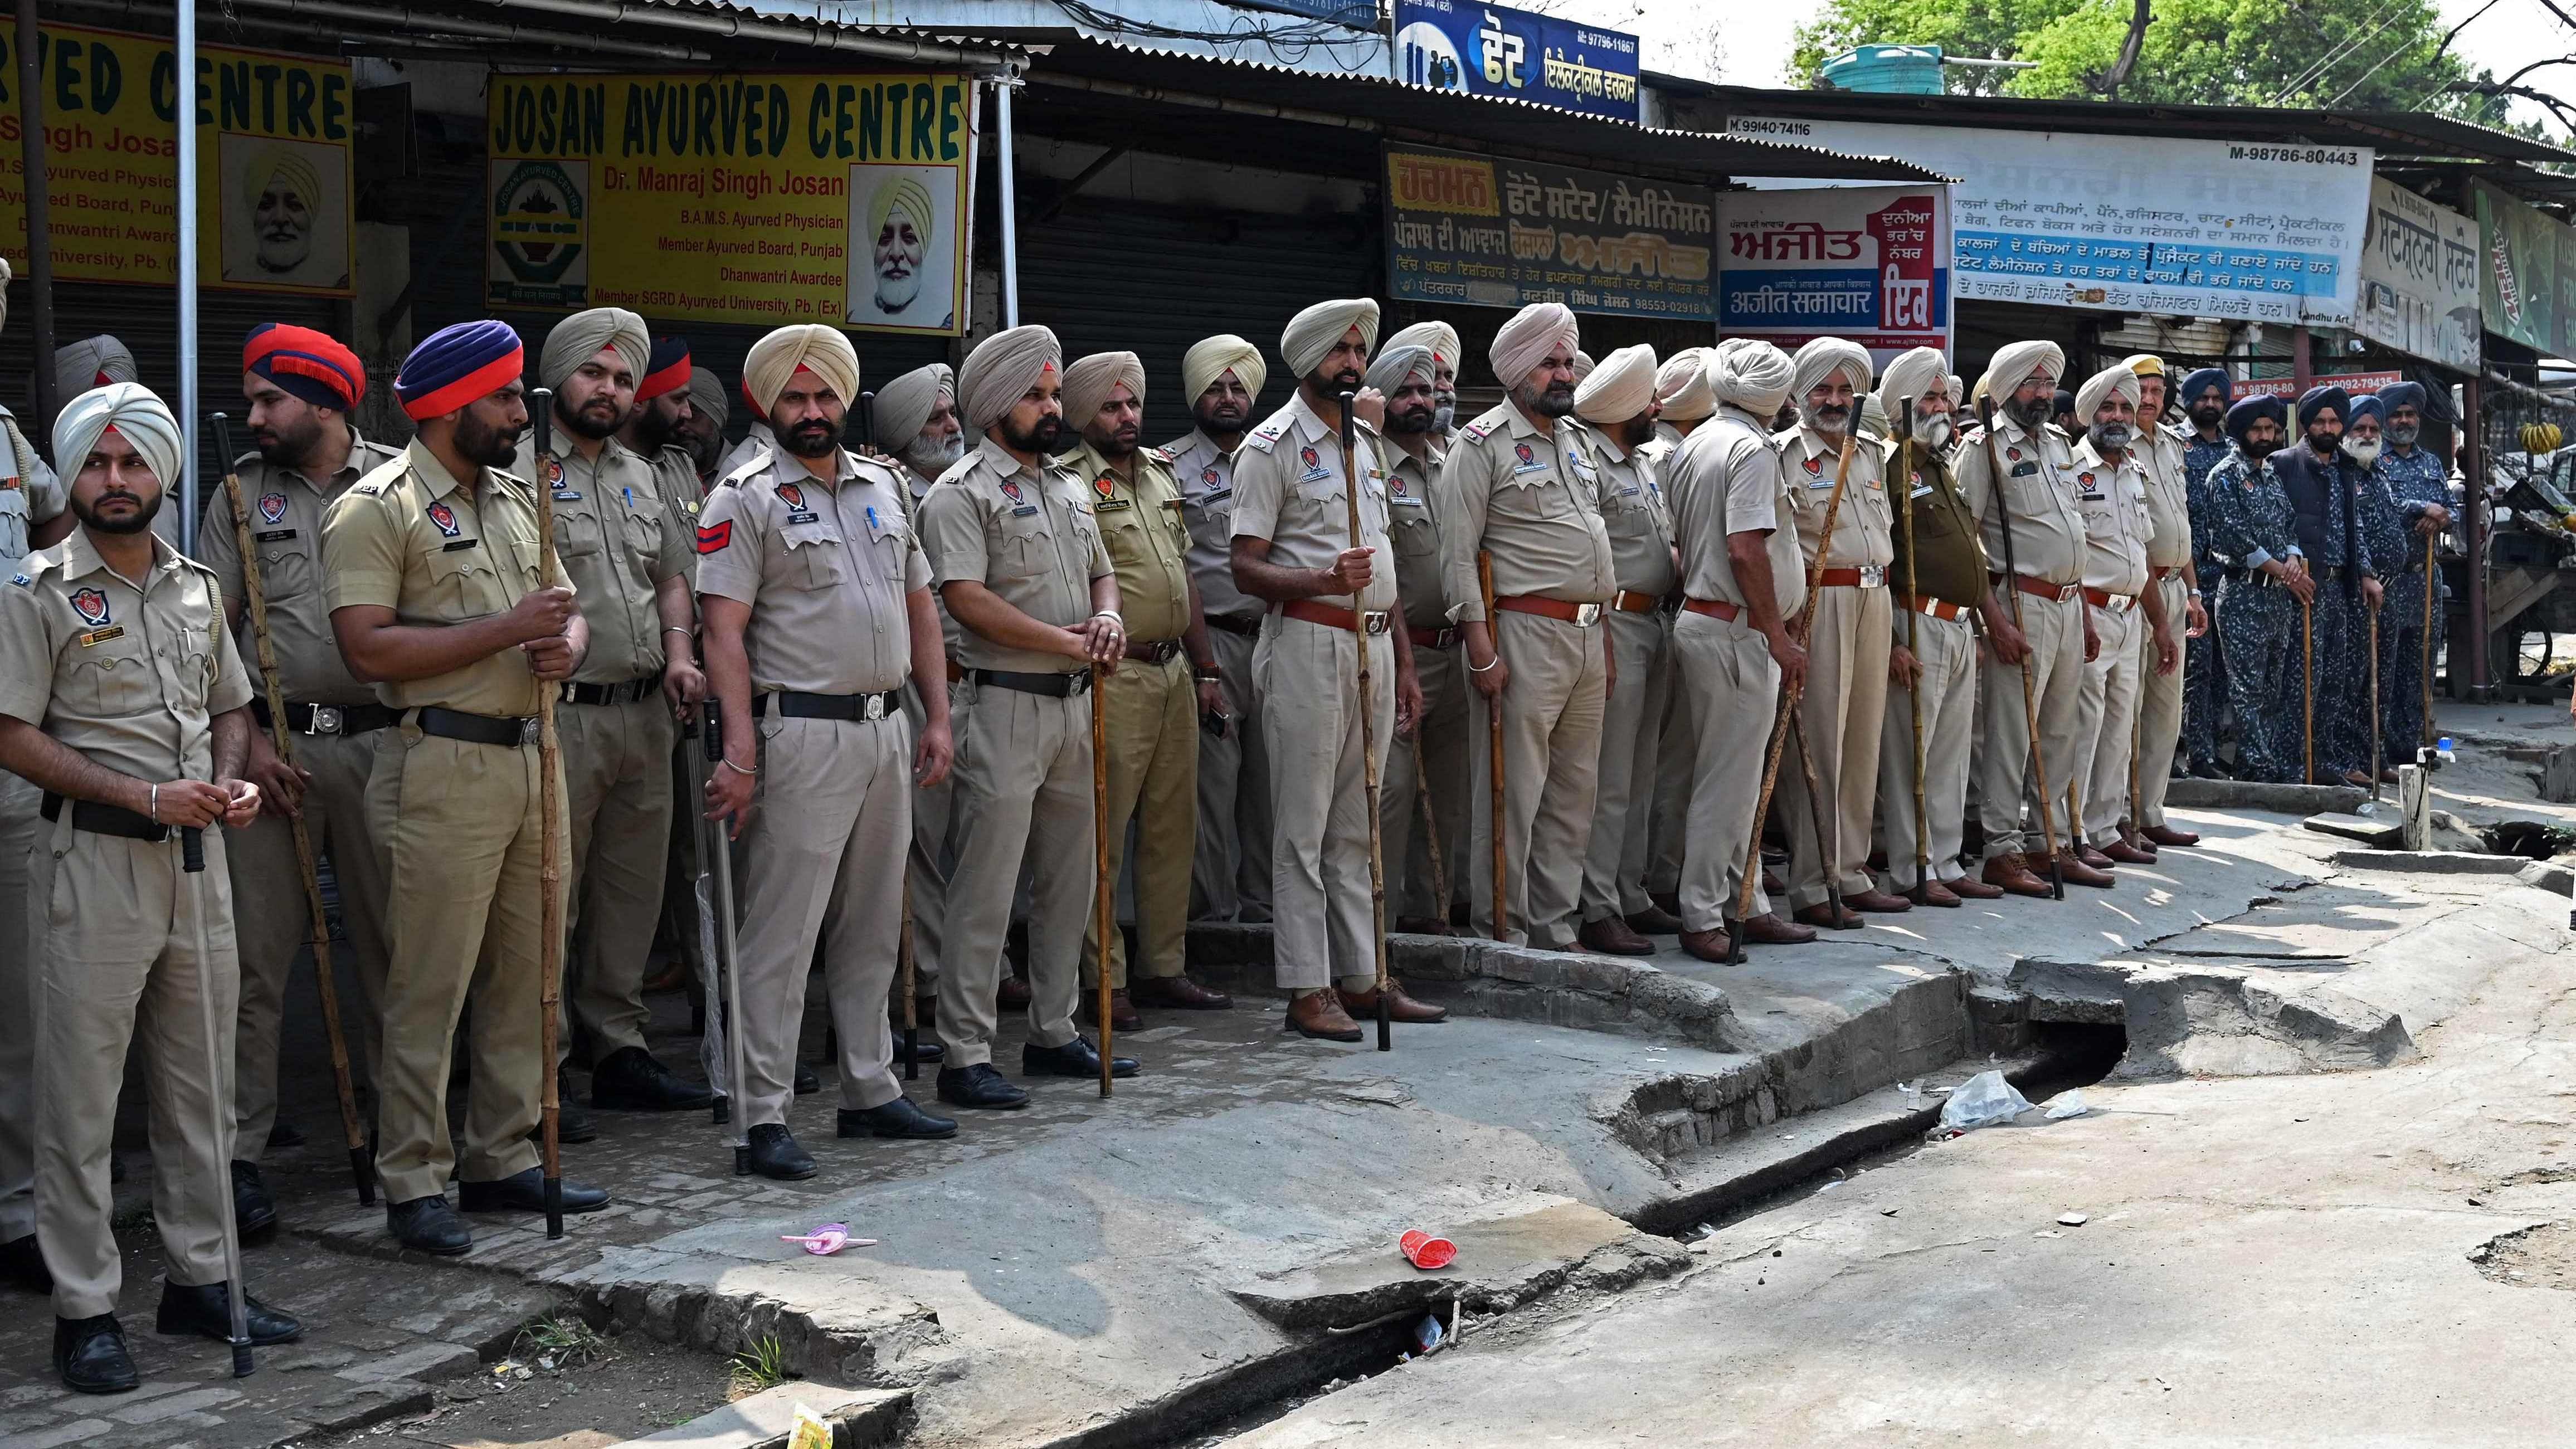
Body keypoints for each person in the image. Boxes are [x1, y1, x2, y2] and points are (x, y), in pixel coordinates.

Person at [0, 384, 298, 1392]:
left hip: (198, 861)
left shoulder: (197, 586)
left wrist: (232, 778)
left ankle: (203, 1279)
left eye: (133, 464)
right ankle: (84, 1307)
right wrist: (143, 792)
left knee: (198, 1085)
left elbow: (230, 702)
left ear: (163, 473)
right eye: (97, 463)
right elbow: (11, 734)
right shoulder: (35, 590)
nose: (116, 481)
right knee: (80, 1102)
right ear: (73, 474)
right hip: (93, 862)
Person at [322, 320, 610, 1255]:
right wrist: (503, 630)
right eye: (501, 397)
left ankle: (503, 1152)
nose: (518, 413)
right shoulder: (381, 505)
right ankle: (414, 1174)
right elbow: (365, 646)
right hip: (438, 762)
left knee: (530, 969)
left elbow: (570, 620)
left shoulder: (521, 500)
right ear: (450, 405)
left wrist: (560, 646)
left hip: (534, 754)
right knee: (429, 978)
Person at [697, 325, 960, 1178]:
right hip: (799, 732)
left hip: (886, 726)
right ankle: (760, 1112)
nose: (812, 413)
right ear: (766, 404)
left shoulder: (884, 486)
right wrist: (739, 753)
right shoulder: (742, 497)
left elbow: (921, 607)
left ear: (845, 401)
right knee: (782, 930)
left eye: (824, 398)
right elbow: (722, 634)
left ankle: (869, 1088)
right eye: (795, 399)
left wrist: (936, 716)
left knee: (873, 922)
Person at [193, 324, 402, 1238]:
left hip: (387, 745)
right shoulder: (239, 493)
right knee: (254, 966)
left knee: (402, 954)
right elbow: (210, 634)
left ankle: (407, 1141)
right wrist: (250, 746)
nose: (254, 415)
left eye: (270, 398)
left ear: (324, 399)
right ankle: (234, 1157)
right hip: (277, 755)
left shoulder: (401, 485)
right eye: (250, 400)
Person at [917, 325, 1134, 1109]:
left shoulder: (1069, 488)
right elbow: (964, 600)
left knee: (1069, 880)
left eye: (1052, 394)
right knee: (985, 887)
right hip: (1003, 703)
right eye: (1035, 396)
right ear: (990, 406)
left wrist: (1105, 621)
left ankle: (1053, 1028)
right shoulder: (959, 492)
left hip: (1075, 707)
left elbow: (1102, 574)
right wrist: (1066, 641)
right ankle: (964, 1051)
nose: (1051, 408)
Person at [516, 309, 709, 1123]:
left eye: (623, 379)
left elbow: (670, 577)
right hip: (561, 715)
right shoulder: (518, 472)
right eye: (594, 373)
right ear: (559, 377)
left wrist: (679, 652)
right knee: (548, 896)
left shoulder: (640, 476)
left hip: (644, 710)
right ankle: (539, 1069)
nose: (609, 390)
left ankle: (620, 1047)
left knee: (630, 894)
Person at [1231, 298, 1434, 1038]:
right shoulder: (1270, 446)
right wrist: (1320, 581)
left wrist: (1405, 664)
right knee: (1303, 828)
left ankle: (1363, 975)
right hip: (1308, 645)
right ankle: (1305, 985)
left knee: (1360, 825)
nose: (1351, 362)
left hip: (1375, 647)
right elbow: (1244, 567)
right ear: (1307, 358)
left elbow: (1385, 572)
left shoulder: (1367, 445)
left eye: (1358, 349)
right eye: (1339, 350)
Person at [1435, 303, 1615, 949]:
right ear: (1516, 372)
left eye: (1568, 362)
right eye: (1550, 363)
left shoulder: (1577, 440)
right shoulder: (1480, 445)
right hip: (1522, 635)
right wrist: (1480, 649)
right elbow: (1456, 555)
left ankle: (1555, 924)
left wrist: (1607, 641)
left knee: (1574, 792)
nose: (1563, 374)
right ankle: (1501, 930)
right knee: (1514, 793)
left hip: (1589, 636)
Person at [1060, 351, 1231, 1024]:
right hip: (1114, 672)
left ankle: (1165, 966)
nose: (1126, 418)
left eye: (1132, 405)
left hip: (1175, 673)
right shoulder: (1070, 483)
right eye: (1110, 407)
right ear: (1082, 417)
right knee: (1103, 830)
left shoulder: (1160, 476)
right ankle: (1104, 979)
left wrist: (1208, 667)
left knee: (1172, 828)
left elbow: (1182, 575)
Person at [1667, 340, 1816, 960]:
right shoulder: (1752, 449)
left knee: (1736, 780)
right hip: (1735, 631)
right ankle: (1703, 915)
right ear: (1778, 396)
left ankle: (1744, 902)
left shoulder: (1698, 439)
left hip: (1710, 622)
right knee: (1727, 786)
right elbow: (1746, 549)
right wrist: (1777, 636)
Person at [1957, 341, 2108, 896]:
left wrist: (2087, 616)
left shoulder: (2060, 444)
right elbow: (1966, 540)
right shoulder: (1982, 449)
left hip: (2070, 604)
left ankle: (2050, 843)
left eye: (2049, 384)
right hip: (2021, 602)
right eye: (2032, 383)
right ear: (2005, 387)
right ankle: (2002, 848)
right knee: (2010, 732)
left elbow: (2073, 532)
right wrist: (1993, 619)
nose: (2043, 394)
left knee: (2060, 730)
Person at [1774, 338, 1910, 926]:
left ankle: (1851, 871)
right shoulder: (1781, 454)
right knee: (1821, 740)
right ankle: (1812, 881)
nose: (1835, 401)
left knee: (1862, 740)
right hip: (1818, 598)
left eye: (1845, 390)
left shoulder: (1873, 452)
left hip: (1873, 598)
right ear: (1801, 395)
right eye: (1823, 390)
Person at [0, 257, 70, 1296]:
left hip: (12, 757)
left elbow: (60, 533)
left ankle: (17, 1209)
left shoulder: (9, 438)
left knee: (24, 1003)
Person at [1871, 348, 1998, 906]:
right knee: (1911, 756)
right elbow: (1881, 556)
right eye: (1930, 396)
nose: (1942, 406)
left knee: (1950, 752)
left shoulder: (1937, 465)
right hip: (1914, 621)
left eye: (1945, 396)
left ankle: (1946, 860)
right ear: (1901, 405)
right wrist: (1894, 640)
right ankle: (1912, 867)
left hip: (1957, 625)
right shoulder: (1889, 465)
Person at [1569, 345, 1680, 955]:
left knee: (1639, 774)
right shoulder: (1592, 464)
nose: (1658, 407)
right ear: (1621, 406)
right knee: (1608, 778)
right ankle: (1597, 905)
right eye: (1649, 398)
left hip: (1653, 624)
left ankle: (1629, 891)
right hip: (1616, 624)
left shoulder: (1637, 463)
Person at [1168, 335, 1274, 925]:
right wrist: (1203, 662)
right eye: (1216, 388)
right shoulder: (1169, 467)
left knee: (1271, 785)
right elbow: (1176, 568)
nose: (1229, 398)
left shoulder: (1275, 457)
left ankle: (1264, 907)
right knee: (1211, 787)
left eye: (1238, 388)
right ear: (1195, 395)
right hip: (1212, 647)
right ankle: (1212, 917)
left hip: (1278, 641)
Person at [874, 362, 966, 1040]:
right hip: (916, 689)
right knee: (919, 846)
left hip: (967, 689)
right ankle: (922, 986)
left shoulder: (960, 490)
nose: (951, 426)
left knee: (959, 844)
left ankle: (958, 975)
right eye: (935, 419)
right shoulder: (892, 492)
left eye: (951, 413)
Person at [1369, 343, 1468, 936]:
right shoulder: (1369, 465)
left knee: (1451, 793)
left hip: (1457, 650)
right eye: (1404, 391)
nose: (1418, 402)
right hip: (1402, 656)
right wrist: (1405, 659)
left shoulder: (1449, 461)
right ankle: (1378, 929)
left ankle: (1432, 912)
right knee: (1393, 792)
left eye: (1426, 391)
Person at [2064, 363, 2179, 869]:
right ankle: (2068, 832)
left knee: (2119, 726)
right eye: (2108, 407)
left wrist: (2158, 623)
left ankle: (2104, 827)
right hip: (2088, 614)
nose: (2117, 416)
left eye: (2125, 408)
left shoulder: (2135, 470)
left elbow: (2143, 555)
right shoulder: (2070, 468)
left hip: (2131, 615)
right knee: (2081, 726)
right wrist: (2082, 617)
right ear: (2089, 414)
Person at [2203, 395, 2309, 784]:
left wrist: (2293, 559)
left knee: (2271, 687)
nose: (2265, 436)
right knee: (2246, 688)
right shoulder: (2225, 476)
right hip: (2243, 595)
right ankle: (2256, 768)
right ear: (2241, 432)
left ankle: (2259, 763)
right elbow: (2235, 539)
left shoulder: (2270, 475)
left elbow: (2289, 526)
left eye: (2271, 430)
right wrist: (2284, 571)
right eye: (2257, 430)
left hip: (2276, 597)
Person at [1644, 345, 1716, 910]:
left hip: (1669, 616)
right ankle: (1665, 875)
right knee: (1673, 762)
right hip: (1669, 614)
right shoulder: (1672, 452)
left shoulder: (1677, 447)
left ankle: (1669, 872)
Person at [2269, 386, 2369, 785]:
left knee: (2333, 680)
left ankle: (2324, 759)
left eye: (2333, 421)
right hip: (2301, 587)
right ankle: (2294, 764)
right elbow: (2274, 521)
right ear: (2305, 425)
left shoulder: (2345, 467)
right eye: (2319, 421)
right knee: (2300, 683)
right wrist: (2287, 567)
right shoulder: (2284, 463)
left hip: (2337, 588)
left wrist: (2363, 572)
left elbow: (2353, 526)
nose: (2327, 428)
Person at [2125, 356, 2204, 848]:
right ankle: (2117, 817)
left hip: (2176, 587)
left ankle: (2150, 811)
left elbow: (2182, 526)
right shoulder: (2111, 445)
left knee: (2165, 708)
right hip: (2135, 591)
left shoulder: (2173, 445)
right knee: (2125, 710)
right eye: (2141, 390)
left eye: (2156, 389)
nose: (2149, 398)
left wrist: (2194, 592)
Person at [2371, 382, 2450, 757]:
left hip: (2425, 579)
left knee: (2419, 668)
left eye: (2410, 415)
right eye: (2397, 415)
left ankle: (2411, 745)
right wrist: (2422, 507)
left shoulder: (2431, 462)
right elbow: (2381, 504)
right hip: (2390, 580)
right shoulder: (2374, 460)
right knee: (2383, 666)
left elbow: (2449, 508)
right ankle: (2380, 748)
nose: (2404, 421)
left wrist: (2437, 519)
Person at [2329, 395, 2393, 783]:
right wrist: (2367, 571)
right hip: (2353, 591)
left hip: (2386, 591)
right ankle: (2347, 758)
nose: (2367, 435)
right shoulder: (2342, 474)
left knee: (2377, 679)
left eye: (2373, 429)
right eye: (2359, 429)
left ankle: (2373, 754)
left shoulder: (2376, 473)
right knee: (2350, 680)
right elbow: (2354, 533)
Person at [2176, 368, 2234, 779]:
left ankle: (2212, 747)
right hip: (2187, 575)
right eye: (2203, 398)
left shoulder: (2233, 448)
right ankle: (2195, 754)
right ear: (2188, 401)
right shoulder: (2174, 446)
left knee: (2220, 672)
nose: (2210, 404)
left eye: (2217, 397)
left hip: (2228, 577)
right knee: (2191, 671)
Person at [1381, 320, 1462, 447]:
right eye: (1434, 376)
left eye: (1448, 376)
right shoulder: (1372, 451)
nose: (1446, 387)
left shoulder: (1467, 447)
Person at [681, 368, 731, 490]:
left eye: (694, 414)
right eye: (678, 417)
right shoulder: (655, 471)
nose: (682, 427)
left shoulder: (746, 466)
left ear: (717, 418)